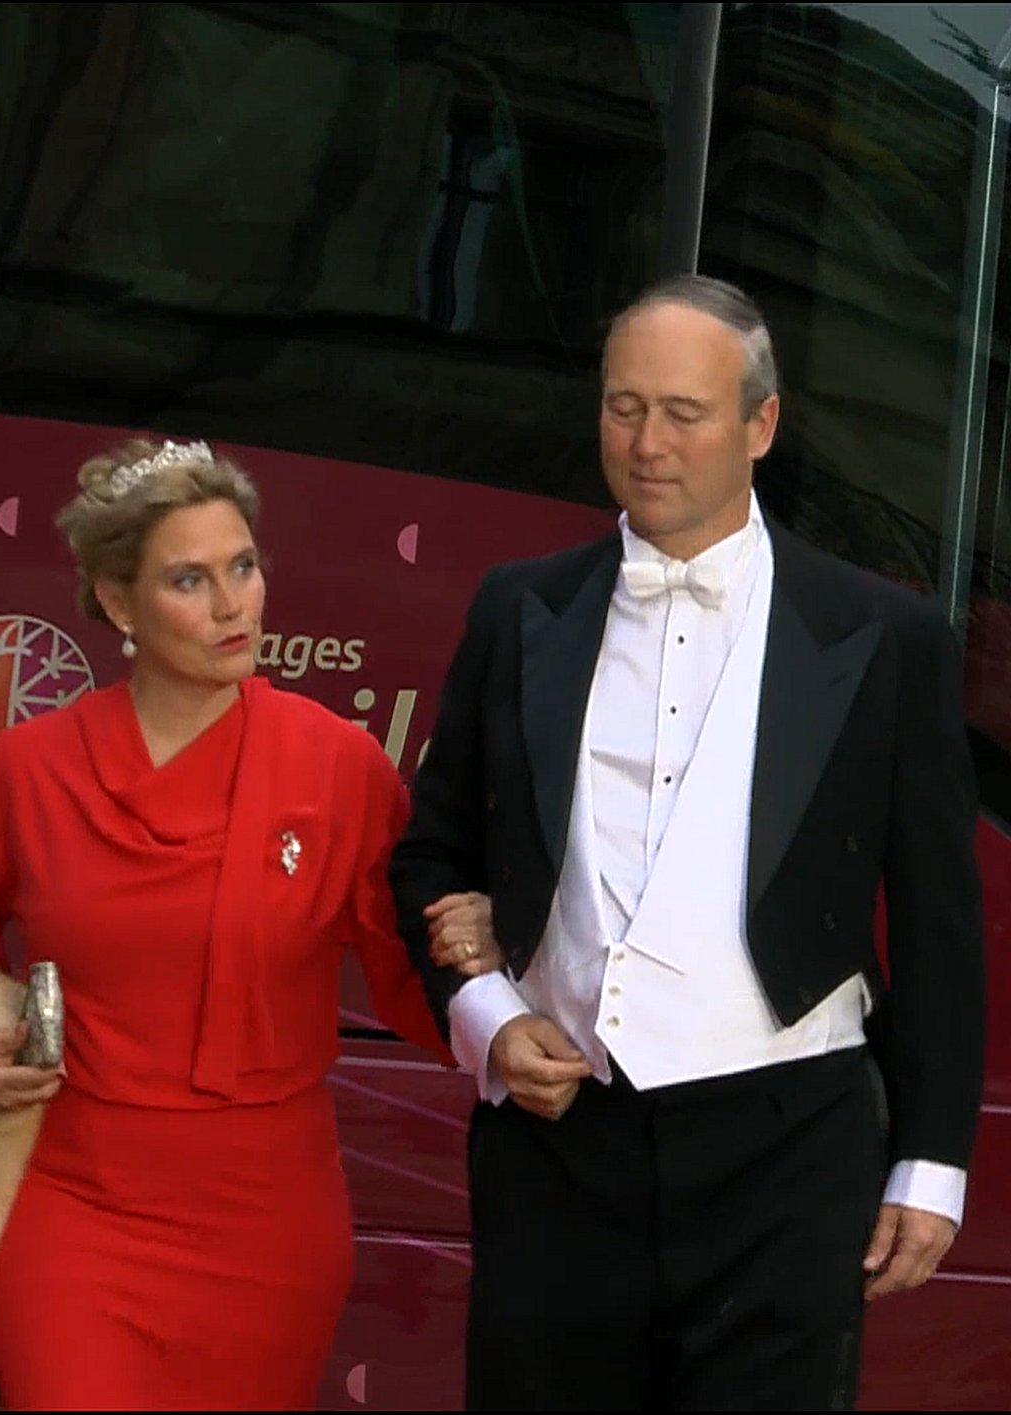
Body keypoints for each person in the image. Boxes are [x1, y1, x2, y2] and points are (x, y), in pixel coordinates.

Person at [391, 275, 985, 1411]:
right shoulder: (517, 608)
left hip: (790, 1146)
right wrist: (490, 1018)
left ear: (761, 424)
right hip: (560, 1147)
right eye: (623, 407)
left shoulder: (885, 634)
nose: (646, 442)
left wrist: (932, 1159)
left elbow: (938, 922)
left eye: (683, 412)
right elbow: (431, 856)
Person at [0, 438, 500, 1411]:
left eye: (244, 566)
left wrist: (482, 953)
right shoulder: (26, 770)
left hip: (270, 1228)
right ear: (117, 602)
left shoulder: (339, 767)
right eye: (191, 579)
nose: (234, 604)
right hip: (76, 1210)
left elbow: (411, 981)